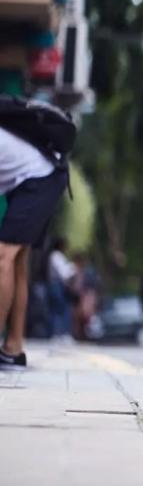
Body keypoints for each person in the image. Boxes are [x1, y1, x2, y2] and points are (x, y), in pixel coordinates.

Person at [0, 125, 68, 367]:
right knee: (16, 262)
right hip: (37, 179)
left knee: (4, 257)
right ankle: (14, 347)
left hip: (39, 179)